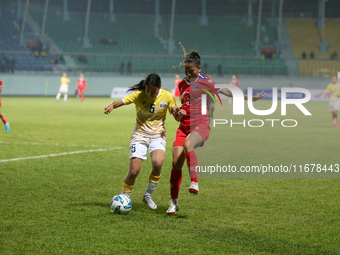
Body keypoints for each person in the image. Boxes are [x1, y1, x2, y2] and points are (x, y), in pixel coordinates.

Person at [167, 43, 264, 215]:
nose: (189, 74)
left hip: (200, 125)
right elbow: (180, 114)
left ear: (199, 68)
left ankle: (194, 182)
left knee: (188, 145)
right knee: (175, 164)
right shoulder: (182, 85)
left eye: (192, 71)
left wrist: (249, 98)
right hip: (184, 126)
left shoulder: (206, 82)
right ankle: (174, 202)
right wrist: (176, 112)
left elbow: (226, 90)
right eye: (186, 71)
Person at [104, 73, 185, 211]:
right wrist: (112, 105)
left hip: (158, 136)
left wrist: (179, 113)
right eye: (148, 90)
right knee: (134, 171)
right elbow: (121, 102)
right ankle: (124, 198)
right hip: (139, 135)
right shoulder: (139, 95)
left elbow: (177, 117)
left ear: (159, 87)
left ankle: (147, 195)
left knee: (158, 164)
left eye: (153, 91)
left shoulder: (167, 96)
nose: (150, 93)